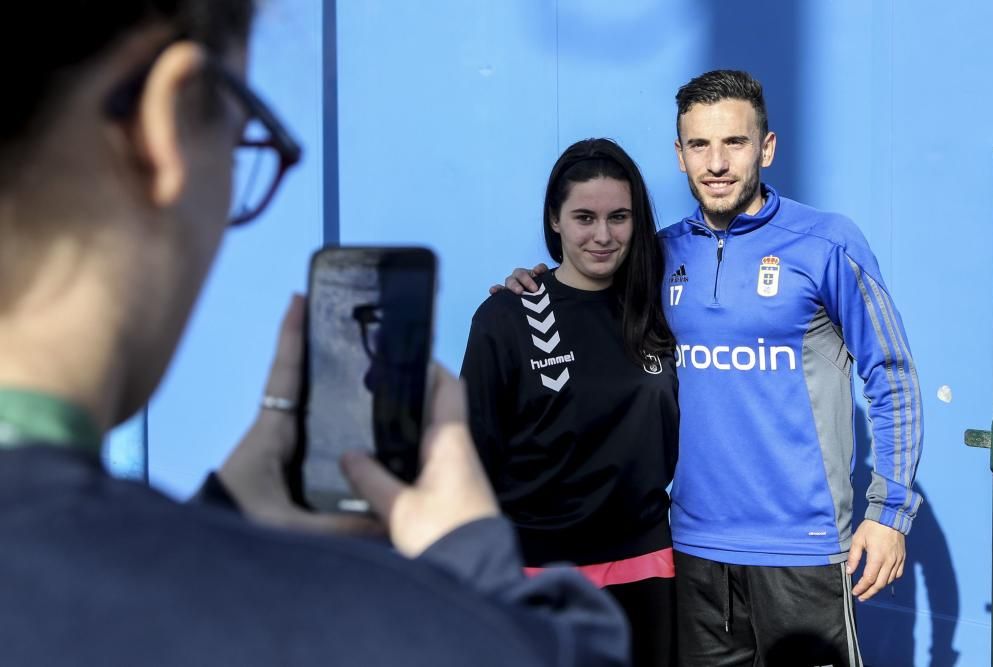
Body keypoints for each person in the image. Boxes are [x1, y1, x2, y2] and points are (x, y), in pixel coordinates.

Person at [0, 4, 629, 665]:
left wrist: (228, 511)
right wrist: (470, 552)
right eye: (247, 137)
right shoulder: (345, 628)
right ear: (165, 125)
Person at [502, 70, 923, 666]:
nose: (717, 163)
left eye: (735, 142)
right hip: (693, 550)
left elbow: (892, 375)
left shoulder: (826, 243)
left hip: (801, 549)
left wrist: (890, 513)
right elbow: (585, 281)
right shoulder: (657, 253)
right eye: (699, 145)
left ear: (767, 148)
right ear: (679, 155)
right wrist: (530, 287)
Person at [462, 138, 679, 666]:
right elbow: (471, 455)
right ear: (555, 221)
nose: (602, 235)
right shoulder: (507, 317)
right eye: (584, 217)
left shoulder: (660, 306)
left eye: (619, 217)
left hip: (645, 566)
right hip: (538, 574)